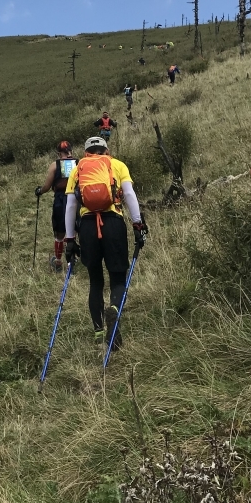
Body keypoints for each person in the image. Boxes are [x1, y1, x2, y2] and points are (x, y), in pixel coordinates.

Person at [63, 136, 147, 351]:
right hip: (113, 224)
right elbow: (128, 194)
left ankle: (99, 331)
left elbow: (71, 206)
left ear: (86, 152)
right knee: (118, 277)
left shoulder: (78, 170)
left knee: (95, 280)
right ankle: (114, 311)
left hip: (88, 227)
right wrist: (138, 225)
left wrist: (70, 239)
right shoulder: (117, 165)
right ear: (106, 150)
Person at [35, 142, 77, 272]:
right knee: (74, 229)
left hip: (61, 199)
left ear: (59, 153)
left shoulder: (55, 165)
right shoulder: (79, 163)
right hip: (76, 198)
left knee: (60, 231)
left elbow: (47, 186)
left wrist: (39, 191)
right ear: (70, 151)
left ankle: (58, 261)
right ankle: (72, 260)